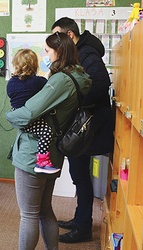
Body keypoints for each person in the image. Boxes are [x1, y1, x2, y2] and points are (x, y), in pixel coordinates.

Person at [6, 32, 92, 250]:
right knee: (45, 210)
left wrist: (9, 116)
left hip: (33, 153)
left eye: (47, 51)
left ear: (59, 52)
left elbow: (27, 113)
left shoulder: (60, 80)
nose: (45, 55)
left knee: (28, 214)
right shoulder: (78, 76)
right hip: (52, 151)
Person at [52, 17, 115, 243]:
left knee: (80, 176)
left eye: (58, 37)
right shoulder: (81, 52)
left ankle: (83, 227)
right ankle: (80, 219)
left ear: (69, 36)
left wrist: (74, 100)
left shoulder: (87, 53)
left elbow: (100, 84)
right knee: (79, 176)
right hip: (86, 126)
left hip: (89, 128)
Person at [7, 48, 59, 174]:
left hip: (17, 116)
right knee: (46, 131)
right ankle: (42, 161)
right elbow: (46, 88)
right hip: (29, 117)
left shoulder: (11, 82)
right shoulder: (38, 82)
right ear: (34, 65)